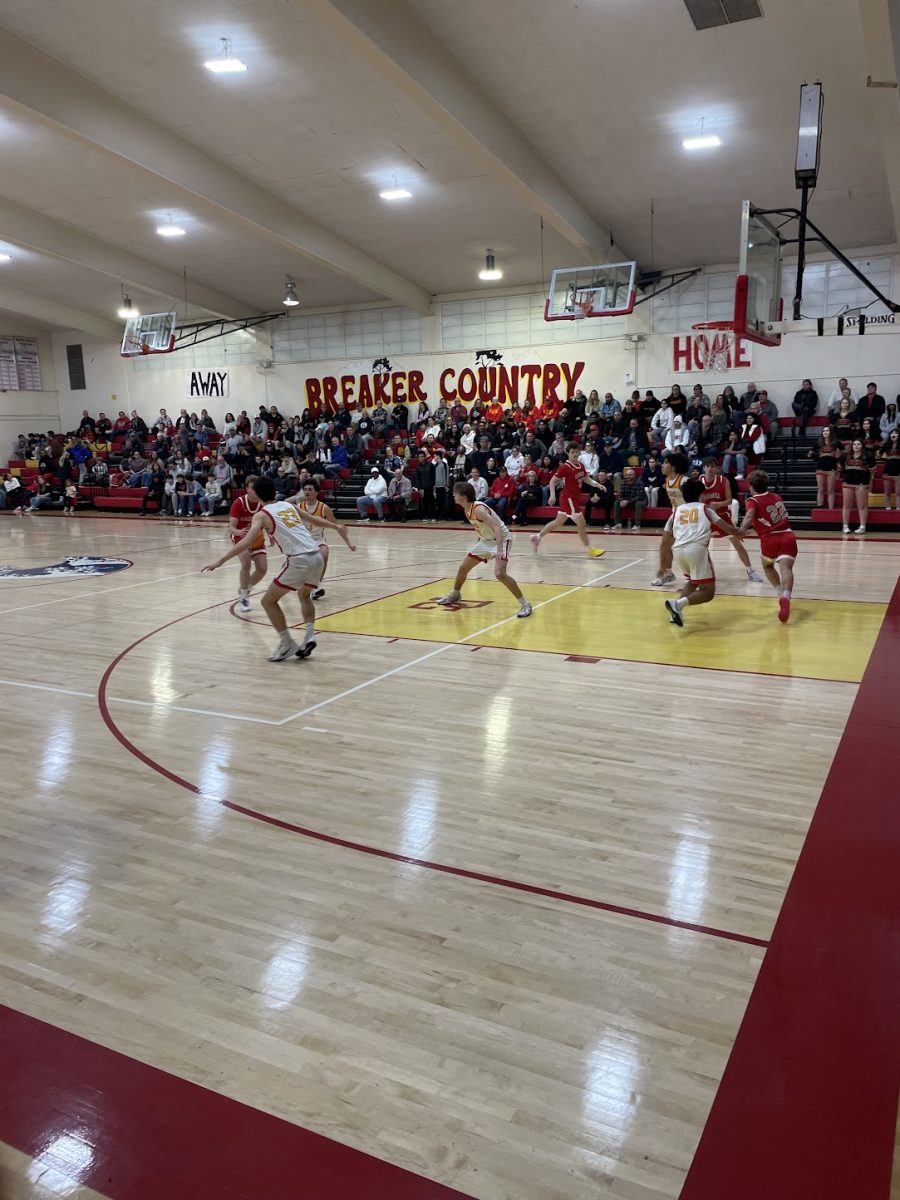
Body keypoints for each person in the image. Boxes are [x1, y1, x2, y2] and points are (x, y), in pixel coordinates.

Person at [203, 475, 355, 662]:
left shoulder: (261, 514)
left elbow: (247, 541)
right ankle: (309, 635)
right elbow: (315, 521)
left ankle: (286, 644)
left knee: (268, 601)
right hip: (316, 557)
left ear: (257, 494)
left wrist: (220, 560)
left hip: (300, 560)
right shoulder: (288, 505)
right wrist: (336, 526)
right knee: (304, 595)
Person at [437, 482, 532, 618]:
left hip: (501, 540)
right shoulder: (467, 508)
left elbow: (497, 528)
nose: (453, 495)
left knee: (500, 574)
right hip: (486, 541)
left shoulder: (479, 510)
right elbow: (482, 527)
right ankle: (455, 593)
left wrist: (499, 549)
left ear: (463, 496)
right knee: (463, 567)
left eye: (455, 493)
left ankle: (525, 604)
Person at [662, 478, 736, 627]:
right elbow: (727, 528)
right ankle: (678, 605)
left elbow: (665, 540)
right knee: (708, 592)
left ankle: (674, 612)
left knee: (692, 582)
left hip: (678, 551)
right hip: (696, 550)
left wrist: (662, 564)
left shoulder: (676, 512)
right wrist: (741, 532)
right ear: (701, 495)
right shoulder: (705, 509)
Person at [738, 470, 799, 623]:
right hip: (787, 536)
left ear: (751, 486)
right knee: (786, 569)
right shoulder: (776, 497)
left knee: (768, 566)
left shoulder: (752, 500)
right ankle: (786, 596)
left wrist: (742, 529)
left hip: (769, 539)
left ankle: (779, 593)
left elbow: (750, 515)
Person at [530, 443, 605, 558]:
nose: (574, 454)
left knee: (558, 522)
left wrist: (597, 485)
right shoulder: (565, 467)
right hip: (568, 498)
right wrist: (552, 495)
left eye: (576, 452)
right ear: (568, 454)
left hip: (573, 497)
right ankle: (590, 550)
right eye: (572, 452)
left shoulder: (580, 465)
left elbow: (585, 478)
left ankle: (537, 537)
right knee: (582, 523)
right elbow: (552, 481)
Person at [698, 458, 763, 581]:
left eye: (713, 466)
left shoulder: (724, 481)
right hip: (706, 518)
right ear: (704, 468)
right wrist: (705, 506)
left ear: (717, 469)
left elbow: (729, 500)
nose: (710, 469)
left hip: (722, 517)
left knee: (737, 544)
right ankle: (704, 573)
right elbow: (698, 502)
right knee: (702, 547)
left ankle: (750, 571)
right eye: (707, 466)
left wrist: (718, 504)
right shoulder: (699, 482)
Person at [229, 475, 269, 613]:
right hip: (241, 537)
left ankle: (244, 588)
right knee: (246, 563)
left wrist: (272, 535)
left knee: (262, 569)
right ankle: (244, 597)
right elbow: (231, 527)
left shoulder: (263, 503)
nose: (255, 491)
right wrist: (239, 532)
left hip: (257, 538)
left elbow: (269, 522)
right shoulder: (239, 502)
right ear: (247, 489)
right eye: (252, 488)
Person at [651, 451, 690, 587]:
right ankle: (666, 573)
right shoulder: (667, 480)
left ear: (673, 467)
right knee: (664, 545)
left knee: (685, 550)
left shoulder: (684, 481)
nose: (662, 465)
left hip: (687, 519)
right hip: (675, 516)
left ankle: (694, 576)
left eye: (666, 463)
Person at [294, 478, 336, 600]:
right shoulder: (298, 507)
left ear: (316, 492)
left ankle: (316, 586)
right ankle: (309, 585)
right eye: (305, 490)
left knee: (324, 555)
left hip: (318, 539)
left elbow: (335, 524)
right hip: (303, 540)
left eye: (310, 490)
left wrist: (346, 538)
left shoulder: (324, 508)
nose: (307, 492)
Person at [840, 438, 874, 535]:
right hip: (847, 484)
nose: (856, 446)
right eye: (854, 444)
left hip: (861, 484)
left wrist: (865, 483)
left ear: (862, 445)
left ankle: (862, 526)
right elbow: (840, 468)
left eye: (858, 444)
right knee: (846, 506)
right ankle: (845, 526)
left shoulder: (868, 457)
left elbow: (872, 472)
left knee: (862, 506)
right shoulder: (846, 456)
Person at [809, 427, 844, 509]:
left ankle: (830, 509)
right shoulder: (819, 442)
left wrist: (838, 460)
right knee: (820, 489)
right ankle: (819, 506)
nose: (825, 432)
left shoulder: (836, 442)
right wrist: (819, 457)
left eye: (827, 430)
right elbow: (810, 454)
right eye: (824, 431)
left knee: (830, 490)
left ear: (830, 432)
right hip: (820, 468)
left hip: (832, 469)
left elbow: (844, 453)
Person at [613, 466, 646, 532]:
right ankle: (618, 523)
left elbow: (640, 497)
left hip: (641, 501)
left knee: (638, 504)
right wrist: (621, 501)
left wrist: (628, 501)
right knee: (616, 502)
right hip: (628, 501)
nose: (628, 476)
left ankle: (637, 525)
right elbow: (620, 495)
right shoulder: (623, 483)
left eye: (630, 475)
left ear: (634, 475)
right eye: (627, 475)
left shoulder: (639, 483)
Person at [879, 428, 900, 511]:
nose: (893, 435)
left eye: (895, 433)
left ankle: (898, 508)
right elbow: (878, 455)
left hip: (898, 471)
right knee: (887, 492)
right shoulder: (886, 445)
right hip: (887, 470)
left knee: (898, 493)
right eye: (892, 433)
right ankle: (888, 508)